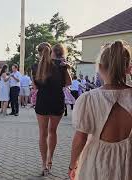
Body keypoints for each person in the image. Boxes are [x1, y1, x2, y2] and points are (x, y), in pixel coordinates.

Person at [69, 40, 132, 180]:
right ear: (128, 68)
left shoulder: (89, 99)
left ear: (100, 67)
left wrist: (73, 164)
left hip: (97, 163)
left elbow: (80, 138)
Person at [34, 43, 72, 176]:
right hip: (57, 101)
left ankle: (44, 165)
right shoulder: (61, 66)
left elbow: (36, 86)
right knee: (52, 132)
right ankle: (50, 160)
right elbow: (68, 83)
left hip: (43, 102)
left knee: (42, 133)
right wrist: (66, 68)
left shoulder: (36, 67)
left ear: (39, 53)